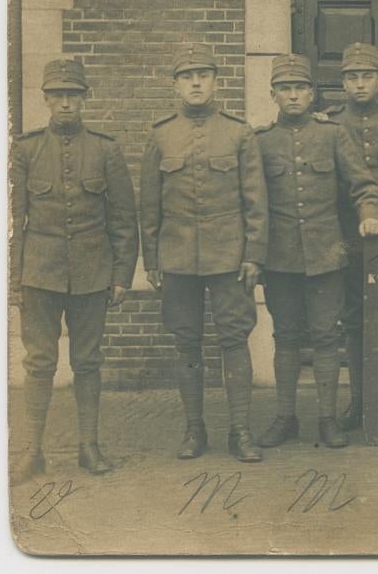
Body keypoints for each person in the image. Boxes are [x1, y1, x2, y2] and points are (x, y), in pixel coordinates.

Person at [9, 59, 138, 483]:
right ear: (46, 100)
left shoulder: (106, 150)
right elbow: (12, 222)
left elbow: (122, 218)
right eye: (58, 96)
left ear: (84, 99)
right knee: (39, 363)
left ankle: (88, 446)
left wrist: (121, 275)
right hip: (40, 275)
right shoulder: (25, 151)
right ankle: (33, 452)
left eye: (74, 96)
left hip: (92, 273)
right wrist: (13, 282)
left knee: (87, 361)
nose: (66, 104)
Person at [140, 43, 268, 463]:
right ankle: (195, 430)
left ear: (216, 81)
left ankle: (241, 431)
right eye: (187, 76)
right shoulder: (160, 135)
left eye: (203, 75)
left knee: (234, 339)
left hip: (229, 258)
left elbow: (256, 201)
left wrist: (253, 254)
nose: (196, 83)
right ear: (176, 85)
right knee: (187, 343)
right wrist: (152, 259)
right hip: (177, 258)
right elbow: (150, 205)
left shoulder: (238, 133)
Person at [255, 54, 378, 448]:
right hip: (279, 259)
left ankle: (328, 419)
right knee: (287, 337)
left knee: (328, 338)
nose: (293, 95)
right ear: (273, 94)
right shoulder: (259, 142)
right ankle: (285, 417)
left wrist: (370, 213)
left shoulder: (333, 136)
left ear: (311, 94)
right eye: (285, 89)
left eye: (300, 88)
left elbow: (364, 185)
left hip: (327, 256)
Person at [324, 42, 378, 431]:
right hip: (347, 239)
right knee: (354, 321)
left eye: (367, 77)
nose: (360, 85)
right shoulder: (330, 123)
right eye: (352, 77)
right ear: (343, 83)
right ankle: (358, 402)